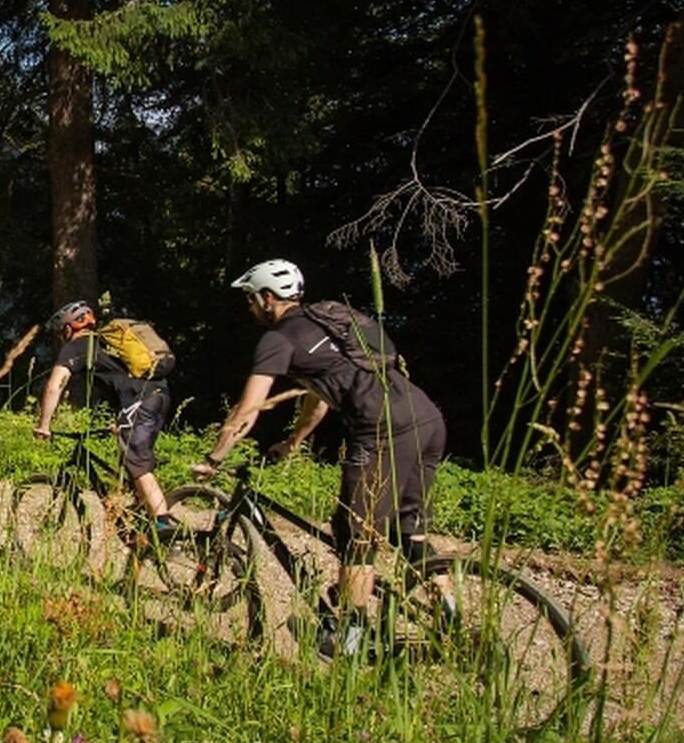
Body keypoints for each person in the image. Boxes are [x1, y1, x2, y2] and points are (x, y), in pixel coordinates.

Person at [192, 258, 448, 655]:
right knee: (407, 530)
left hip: (381, 428)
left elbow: (248, 408)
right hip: (425, 417)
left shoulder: (277, 339)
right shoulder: (326, 320)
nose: (249, 307)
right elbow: (319, 398)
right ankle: (452, 616)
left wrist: (215, 458)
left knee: (354, 532)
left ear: (266, 297)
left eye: (249, 299)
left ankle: (348, 636)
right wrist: (294, 441)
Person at [32, 300, 180, 540]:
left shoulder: (77, 346)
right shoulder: (105, 345)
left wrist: (44, 424)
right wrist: (119, 420)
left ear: (69, 328)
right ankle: (146, 521)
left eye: (61, 332)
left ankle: (164, 528)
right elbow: (122, 382)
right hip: (160, 396)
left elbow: (54, 386)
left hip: (141, 403)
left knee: (136, 462)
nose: (61, 338)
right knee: (129, 461)